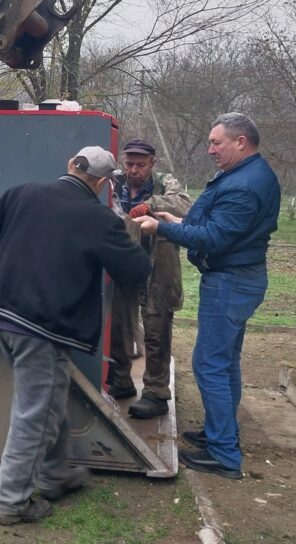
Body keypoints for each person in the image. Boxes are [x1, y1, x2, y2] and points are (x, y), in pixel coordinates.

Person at [0, 146, 152, 525]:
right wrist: (138, 232)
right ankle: (10, 502)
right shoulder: (98, 218)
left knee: (47, 399)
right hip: (41, 327)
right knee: (35, 412)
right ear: (102, 182)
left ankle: (55, 473)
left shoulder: (21, 192)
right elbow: (136, 269)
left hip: (1, 314)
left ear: (70, 165)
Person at [136, 113, 279, 480]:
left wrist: (162, 227)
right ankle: (221, 433)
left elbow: (216, 239)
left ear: (241, 142)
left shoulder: (244, 184)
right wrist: (182, 223)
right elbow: (223, 228)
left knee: (210, 364)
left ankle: (224, 454)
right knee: (225, 361)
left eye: (216, 142)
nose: (210, 149)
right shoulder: (247, 175)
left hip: (231, 281)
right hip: (237, 276)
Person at [107, 139, 192, 419]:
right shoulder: (113, 182)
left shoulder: (165, 183)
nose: (133, 170)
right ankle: (119, 380)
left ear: (152, 164)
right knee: (117, 324)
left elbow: (184, 205)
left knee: (156, 328)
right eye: (129, 163)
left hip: (157, 268)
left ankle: (156, 392)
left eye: (140, 165)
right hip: (122, 265)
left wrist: (149, 204)